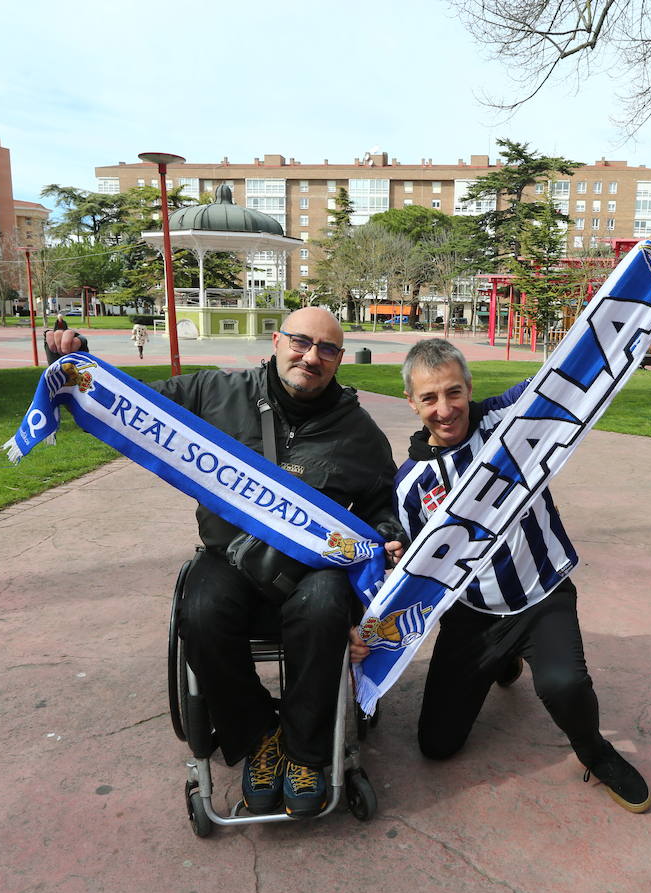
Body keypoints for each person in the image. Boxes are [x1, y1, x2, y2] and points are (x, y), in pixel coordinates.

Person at [45, 308, 405, 818]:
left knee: (328, 605)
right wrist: (76, 366)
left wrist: (388, 536)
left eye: (327, 349)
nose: (312, 357)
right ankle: (259, 736)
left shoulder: (358, 431)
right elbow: (132, 405)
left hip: (311, 570)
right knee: (201, 610)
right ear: (276, 341)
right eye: (301, 342)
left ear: (339, 359)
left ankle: (305, 752)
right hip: (228, 558)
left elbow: (379, 501)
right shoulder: (214, 393)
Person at [380, 336, 651, 813]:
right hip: (474, 618)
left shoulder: (510, 420)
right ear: (412, 402)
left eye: (453, 392)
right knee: (437, 746)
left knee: (563, 684)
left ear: (469, 387)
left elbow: (573, 372)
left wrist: (638, 312)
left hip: (541, 592)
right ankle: (504, 662)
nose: (445, 409)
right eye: (429, 397)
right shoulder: (408, 485)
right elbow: (416, 562)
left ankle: (595, 751)